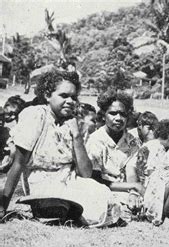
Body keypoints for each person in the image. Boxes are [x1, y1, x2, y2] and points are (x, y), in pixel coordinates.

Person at [0, 70, 121, 227]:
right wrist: (3, 205)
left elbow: (85, 173)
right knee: (64, 203)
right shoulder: (35, 116)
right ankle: (59, 210)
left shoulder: (73, 123)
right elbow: (18, 163)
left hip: (69, 180)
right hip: (41, 182)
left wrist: (77, 136)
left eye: (74, 97)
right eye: (64, 96)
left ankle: (67, 212)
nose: (70, 101)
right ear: (48, 95)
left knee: (103, 195)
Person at [86, 90, 143, 216]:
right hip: (103, 187)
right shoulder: (96, 140)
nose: (118, 118)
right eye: (112, 113)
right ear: (103, 115)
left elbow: (132, 169)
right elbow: (95, 179)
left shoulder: (132, 141)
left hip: (127, 188)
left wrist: (133, 192)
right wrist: (133, 187)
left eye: (122, 114)